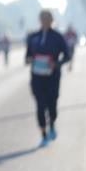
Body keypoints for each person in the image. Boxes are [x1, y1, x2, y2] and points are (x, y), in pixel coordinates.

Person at [25, 10, 71, 147]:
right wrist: (29, 60)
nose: (45, 20)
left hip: (52, 77)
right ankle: (44, 135)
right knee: (40, 104)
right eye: (43, 18)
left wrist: (56, 64)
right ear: (40, 20)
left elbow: (67, 56)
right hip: (37, 77)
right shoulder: (33, 37)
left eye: (48, 18)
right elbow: (27, 56)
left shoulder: (58, 37)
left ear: (52, 20)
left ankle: (52, 124)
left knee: (52, 104)